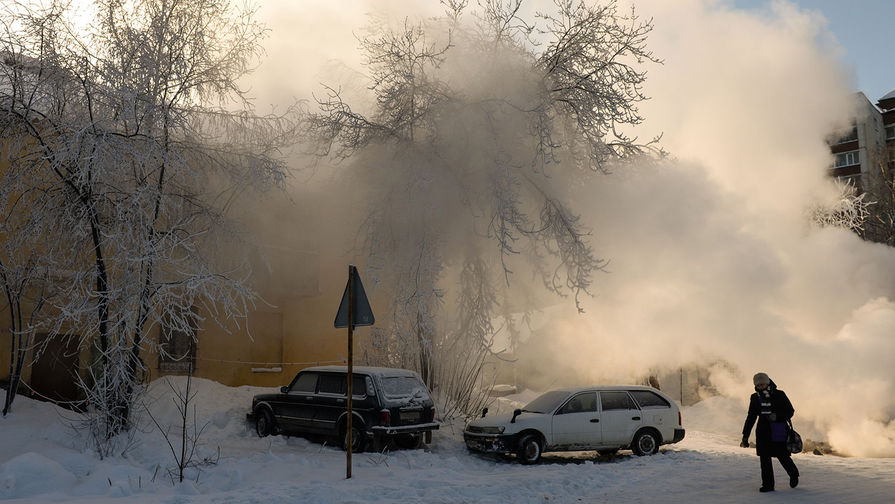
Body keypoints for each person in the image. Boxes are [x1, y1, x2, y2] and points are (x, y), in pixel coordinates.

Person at [741, 372, 799, 492]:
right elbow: (751, 417)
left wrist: (776, 417)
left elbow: (790, 411)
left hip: (779, 429)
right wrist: (745, 436)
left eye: (763, 384)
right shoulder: (755, 397)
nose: (761, 386)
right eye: (759, 385)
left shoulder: (780, 394)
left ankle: (793, 474)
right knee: (764, 459)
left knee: (783, 456)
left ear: (768, 382)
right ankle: (768, 485)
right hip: (763, 432)